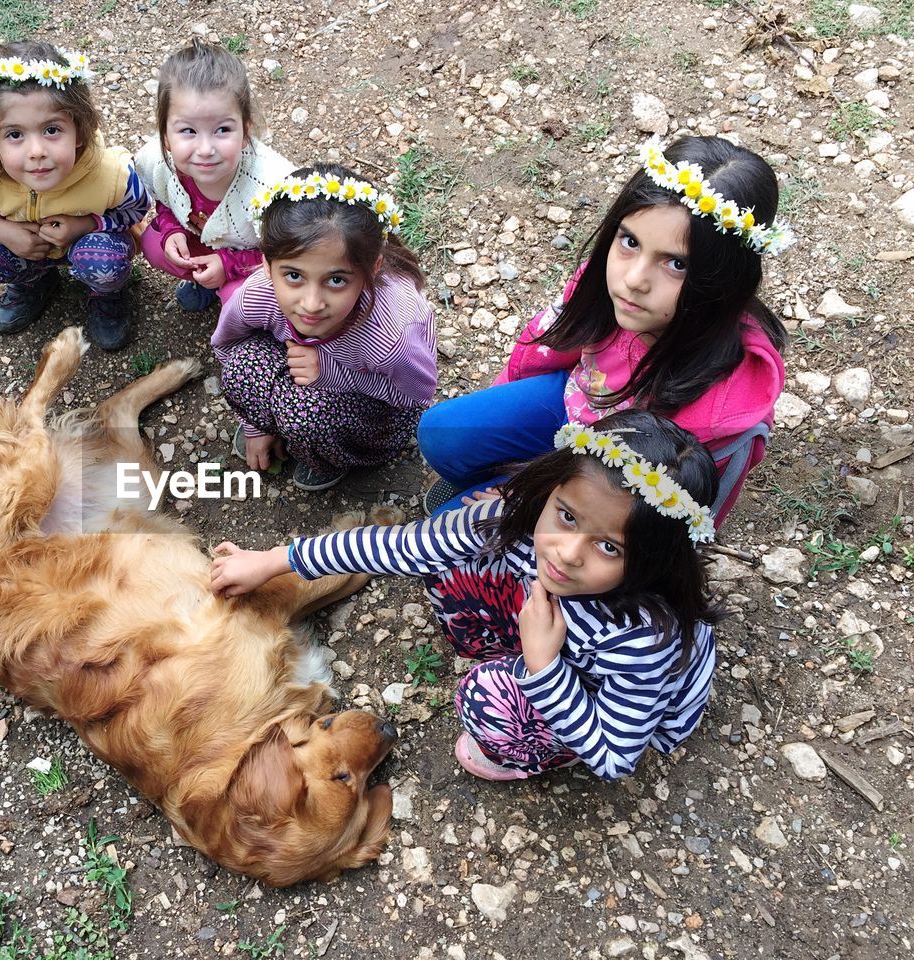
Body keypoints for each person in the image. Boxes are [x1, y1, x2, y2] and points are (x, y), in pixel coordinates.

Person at [211, 411, 722, 781]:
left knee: (487, 700)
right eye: (566, 515)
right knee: (448, 559)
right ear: (551, 489)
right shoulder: (516, 526)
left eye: (609, 546)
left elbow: (615, 755)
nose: (565, 554)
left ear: (655, 561)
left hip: (600, 699)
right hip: (547, 628)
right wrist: (274, 560)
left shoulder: (645, 637)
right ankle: (520, 654)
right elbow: (401, 546)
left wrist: (544, 668)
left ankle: (541, 750)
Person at [418, 136, 794, 526]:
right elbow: (548, 347)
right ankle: (506, 476)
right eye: (630, 241)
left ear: (724, 279)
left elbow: (665, 527)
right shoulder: (606, 290)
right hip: (573, 408)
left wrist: (536, 497)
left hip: (614, 496)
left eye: (677, 264)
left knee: (455, 538)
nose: (634, 279)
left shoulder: (722, 413)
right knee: (442, 431)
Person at [211, 164, 437, 491]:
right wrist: (255, 423)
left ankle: (328, 456)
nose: (312, 303)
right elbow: (227, 347)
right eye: (293, 276)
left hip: (379, 407)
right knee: (241, 367)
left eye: (335, 280)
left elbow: (417, 396)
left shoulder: (390, 339)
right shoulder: (256, 296)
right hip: (302, 366)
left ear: (372, 268)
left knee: (306, 416)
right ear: (266, 263)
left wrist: (332, 373)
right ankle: (276, 422)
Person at [0, 41, 150, 349]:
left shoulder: (111, 175)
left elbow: (137, 208)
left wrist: (87, 225)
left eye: (52, 130)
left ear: (79, 129)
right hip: (27, 250)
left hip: (89, 246)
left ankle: (106, 293)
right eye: (14, 135)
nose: (37, 152)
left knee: (104, 261)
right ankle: (33, 283)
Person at [135, 39, 292, 311]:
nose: (206, 149)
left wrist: (228, 266)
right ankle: (207, 282)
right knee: (153, 242)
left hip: (256, 263)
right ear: (166, 137)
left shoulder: (270, 188)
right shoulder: (162, 165)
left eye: (222, 130)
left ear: (245, 132)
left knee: (239, 298)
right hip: (205, 246)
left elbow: (288, 255)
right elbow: (167, 202)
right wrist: (172, 231)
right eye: (188, 131)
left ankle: (244, 306)